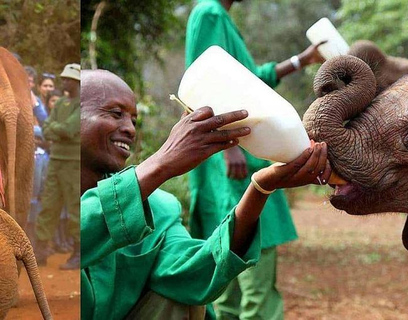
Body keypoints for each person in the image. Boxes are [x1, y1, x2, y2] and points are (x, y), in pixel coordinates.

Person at [80, 69, 332, 320]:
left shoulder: (158, 210)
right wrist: (161, 163)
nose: (130, 130)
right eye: (116, 114)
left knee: (178, 297)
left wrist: (260, 188)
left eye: (134, 121)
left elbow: (196, 272)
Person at [185, 0, 325, 318]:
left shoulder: (219, 18)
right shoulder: (209, 13)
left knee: (227, 283)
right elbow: (204, 83)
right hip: (233, 163)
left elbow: (253, 79)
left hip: (239, 153)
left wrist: (302, 60)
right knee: (252, 273)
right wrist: (229, 147)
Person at [34, 63, 81, 270]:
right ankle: (40, 251)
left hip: (73, 163)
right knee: (48, 205)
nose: (63, 82)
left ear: (77, 82)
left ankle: (79, 252)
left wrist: (57, 130)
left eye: (67, 79)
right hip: (56, 161)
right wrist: (57, 130)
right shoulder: (61, 102)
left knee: (74, 208)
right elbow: (46, 129)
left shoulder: (82, 104)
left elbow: (70, 130)